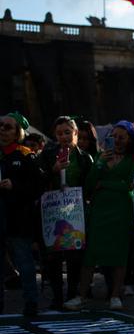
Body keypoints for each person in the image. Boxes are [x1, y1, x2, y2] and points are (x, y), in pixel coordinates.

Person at [65, 121, 134, 311]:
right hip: (99, 210)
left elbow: (132, 185)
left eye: (121, 137)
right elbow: (91, 184)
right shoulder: (101, 157)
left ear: (130, 140)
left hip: (122, 210)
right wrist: (100, 165)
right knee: (91, 254)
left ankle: (115, 295)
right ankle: (81, 295)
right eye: (114, 136)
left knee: (119, 254)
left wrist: (106, 184)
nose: (117, 140)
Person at [38, 116, 93, 311]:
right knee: (53, 255)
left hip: (75, 213)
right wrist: (52, 170)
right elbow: (37, 178)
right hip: (53, 211)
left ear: (76, 133)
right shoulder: (47, 154)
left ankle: (72, 293)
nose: (64, 136)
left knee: (74, 256)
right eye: (59, 133)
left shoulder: (85, 158)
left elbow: (90, 185)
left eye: (67, 132)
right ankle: (57, 295)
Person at [0, 112, 43, 317]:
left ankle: (31, 303)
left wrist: (14, 186)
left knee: (25, 261)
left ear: (18, 132)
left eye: (8, 127)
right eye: (0, 126)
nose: (2, 130)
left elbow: (38, 185)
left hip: (19, 218)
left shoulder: (26, 154)